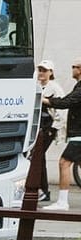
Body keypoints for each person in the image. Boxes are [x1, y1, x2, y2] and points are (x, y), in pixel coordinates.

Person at [49, 61, 81, 209]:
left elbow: (66, 102)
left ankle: (62, 201)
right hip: (77, 133)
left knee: (64, 163)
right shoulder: (78, 86)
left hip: (79, 134)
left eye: (75, 66)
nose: (72, 69)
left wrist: (46, 101)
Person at [34, 61, 59, 203]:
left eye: (45, 70)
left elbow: (61, 110)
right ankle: (42, 189)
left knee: (38, 157)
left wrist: (54, 129)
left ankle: (42, 189)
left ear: (51, 72)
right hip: (37, 127)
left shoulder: (55, 88)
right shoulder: (36, 86)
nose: (42, 73)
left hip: (48, 127)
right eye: (40, 70)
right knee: (39, 157)